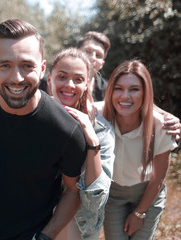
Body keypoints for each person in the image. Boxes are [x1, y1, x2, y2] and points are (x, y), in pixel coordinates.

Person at [0, 19, 87, 240]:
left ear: (43, 68)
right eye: (5, 65)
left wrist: (46, 237)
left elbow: (73, 192)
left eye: (27, 65)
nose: (16, 78)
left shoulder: (67, 130)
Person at [102, 60, 178, 239]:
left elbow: (158, 178)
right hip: (114, 196)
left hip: (148, 194)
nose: (125, 96)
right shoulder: (98, 116)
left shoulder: (161, 126)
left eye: (134, 89)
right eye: (118, 88)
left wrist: (139, 214)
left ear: (145, 93)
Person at [47, 48, 115, 240]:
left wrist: (92, 142)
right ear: (50, 79)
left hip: (79, 224)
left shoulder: (101, 130)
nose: (69, 85)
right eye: (62, 76)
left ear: (87, 84)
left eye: (78, 79)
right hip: (34, 220)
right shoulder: (33, 118)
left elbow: (95, 201)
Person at [77, 31, 111, 101]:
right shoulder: (52, 81)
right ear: (76, 53)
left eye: (98, 55)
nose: (93, 58)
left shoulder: (109, 90)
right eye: (87, 52)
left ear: (102, 64)